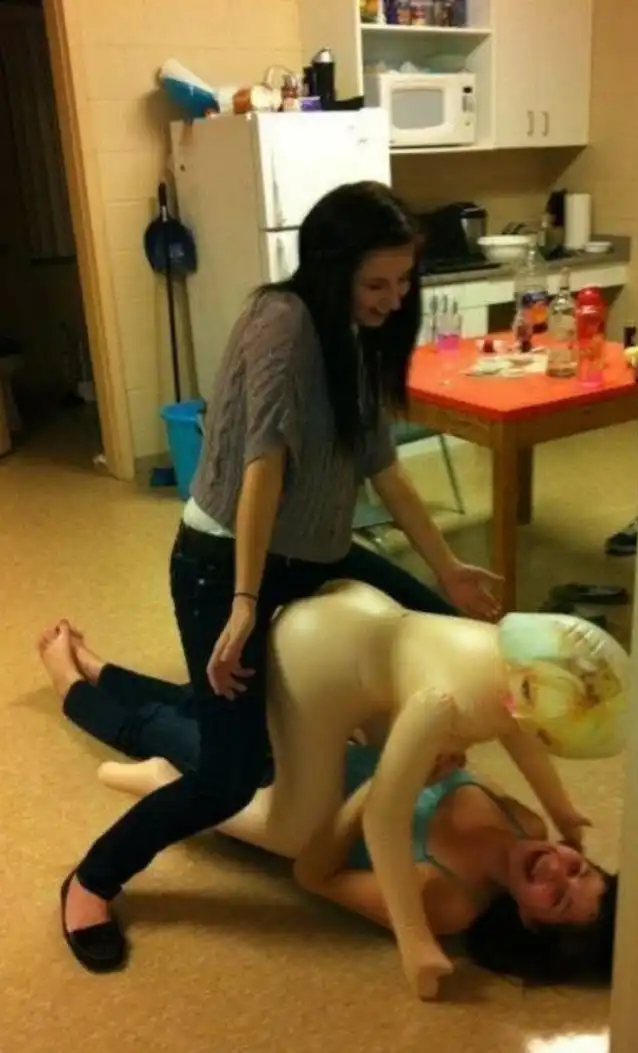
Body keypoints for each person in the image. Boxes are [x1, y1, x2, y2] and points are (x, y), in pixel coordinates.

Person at [60, 180, 502, 973]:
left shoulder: (358, 336)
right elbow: (261, 464)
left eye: (403, 281)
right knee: (230, 775)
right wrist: (244, 602)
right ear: (331, 269)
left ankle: (97, 673)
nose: (392, 299)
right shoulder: (282, 321)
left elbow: (385, 469)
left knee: (441, 626)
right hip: (225, 561)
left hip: (315, 554)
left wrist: (450, 571)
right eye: (376, 283)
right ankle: (91, 880)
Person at [42, 622, 618, 989]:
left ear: (528, 921)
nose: (559, 870)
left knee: (152, 728)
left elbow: (314, 875)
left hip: (278, 791)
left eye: (557, 898)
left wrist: (389, 784)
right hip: (323, 742)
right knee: (202, 704)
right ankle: (97, 666)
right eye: (581, 871)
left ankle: (67, 680)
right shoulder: (526, 820)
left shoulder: (449, 905)